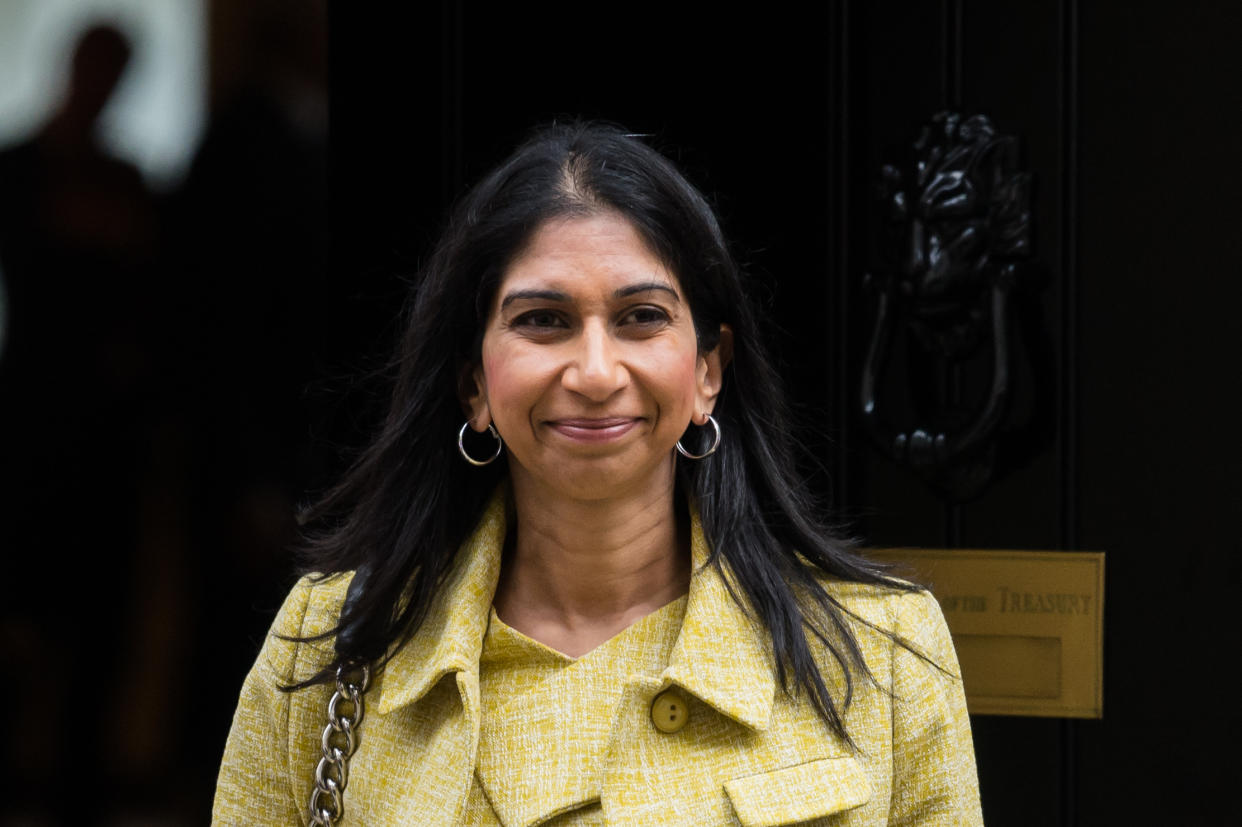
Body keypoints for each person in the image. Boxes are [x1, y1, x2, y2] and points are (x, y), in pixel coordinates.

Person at [212, 122, 982, 825]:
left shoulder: (882, 649)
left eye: (640, 317)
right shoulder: (330, 643)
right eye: (543, 320)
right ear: (473, 382)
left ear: (708, 371)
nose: (594, 370)